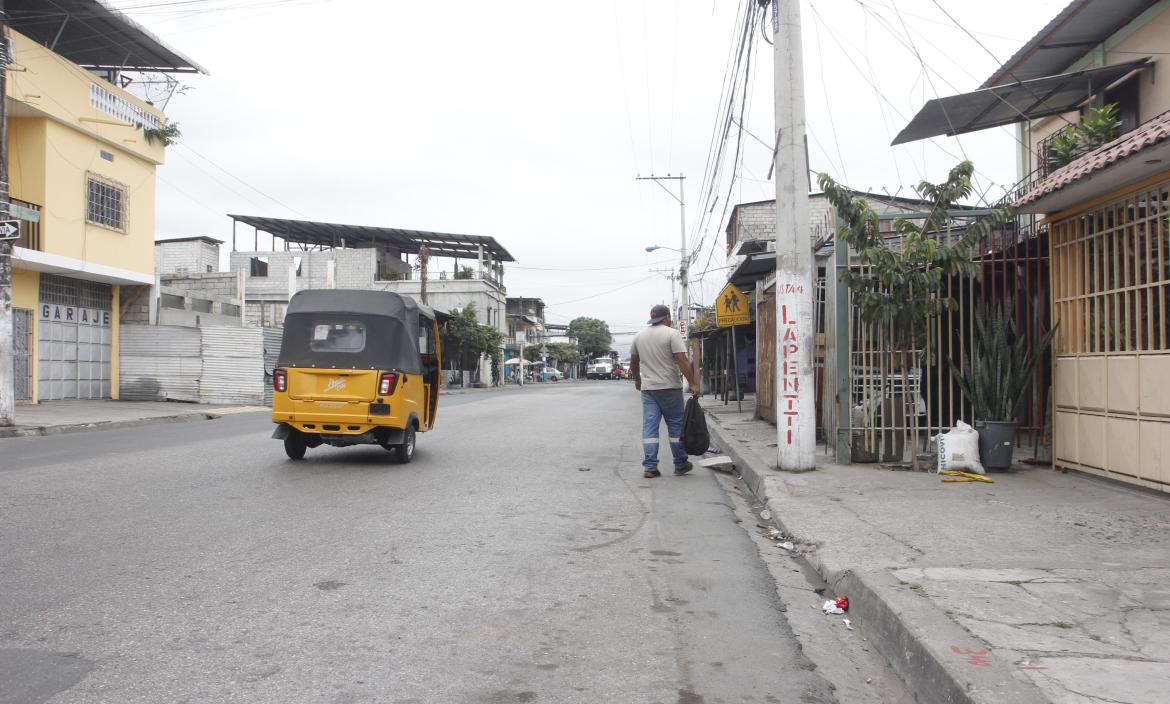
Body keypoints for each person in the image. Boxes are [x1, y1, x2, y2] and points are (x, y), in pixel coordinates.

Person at [629, 304, 701, 479]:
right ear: (667, 317)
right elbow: (681, 359)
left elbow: (634, 362)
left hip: (649, 390)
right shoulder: (671, 333)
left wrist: (638, 380)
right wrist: (693, 383)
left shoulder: (639, 336)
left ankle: (650, 467)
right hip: (670, 388)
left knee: (650, 427)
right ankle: (680, 464)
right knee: (676, 425)